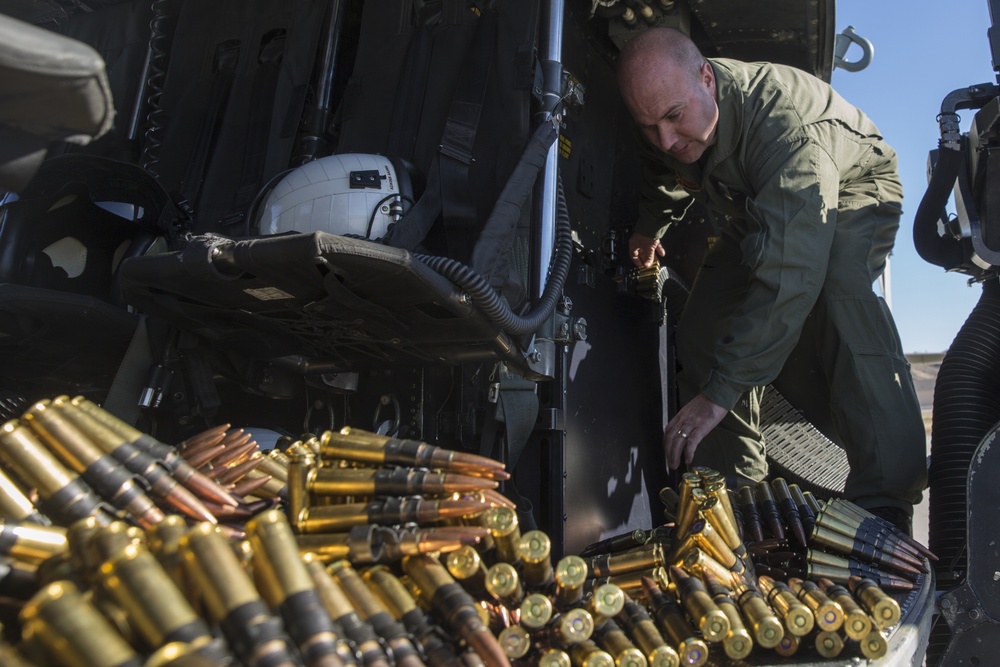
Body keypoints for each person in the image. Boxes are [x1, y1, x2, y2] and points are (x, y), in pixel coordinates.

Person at [617, 27, 926, 530]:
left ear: (706, 78)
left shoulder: (785, 130)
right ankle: (735, 496)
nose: (667, 139)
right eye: (650, 126)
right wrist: (651, 225)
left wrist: (719, 394)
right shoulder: (667, 109)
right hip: (758, 207)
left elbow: (789, 278)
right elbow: (663, 172)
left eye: (674, 118)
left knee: (837, 292)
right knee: (702, 333)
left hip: (852, 186)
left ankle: (886, 498)